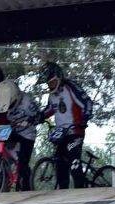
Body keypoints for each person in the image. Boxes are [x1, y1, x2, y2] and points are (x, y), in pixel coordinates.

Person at [39, 61, 95, 189]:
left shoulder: (71, 88)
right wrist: (39, 117)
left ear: (59, 77)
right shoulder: (52, 95)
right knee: (59, 162)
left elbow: (87, 102)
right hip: (61, 133)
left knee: (74, 162)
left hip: (75, 131)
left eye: (52, 82)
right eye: (48, 83)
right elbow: (49, 109)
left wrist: (85, 119)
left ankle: (81, 191)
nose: (49, 85)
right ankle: (63, 192)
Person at [0, 79, 43, 191]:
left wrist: (30, 120)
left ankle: (25, 187)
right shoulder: (3, 100)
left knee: (23, 163)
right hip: (14, 129)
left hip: (28, 134)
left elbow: (39, 116)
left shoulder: (27, 102)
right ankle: (4, 161)